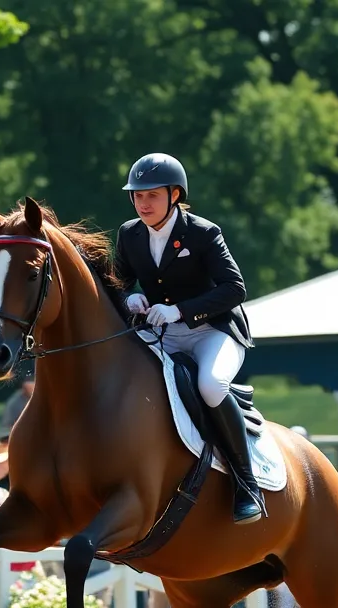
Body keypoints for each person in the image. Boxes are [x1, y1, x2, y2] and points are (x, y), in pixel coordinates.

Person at [114, 152, 261, 524]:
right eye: (137, 196)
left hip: (212, 331)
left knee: (210, 385)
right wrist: (126, 297)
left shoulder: (203, 232)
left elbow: (235, 288)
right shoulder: (129, 234)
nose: (143, 203)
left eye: (152, 195)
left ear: (174, 195)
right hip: (163, 333)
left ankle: (247, 485)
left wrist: (180, 310)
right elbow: (115, 284)